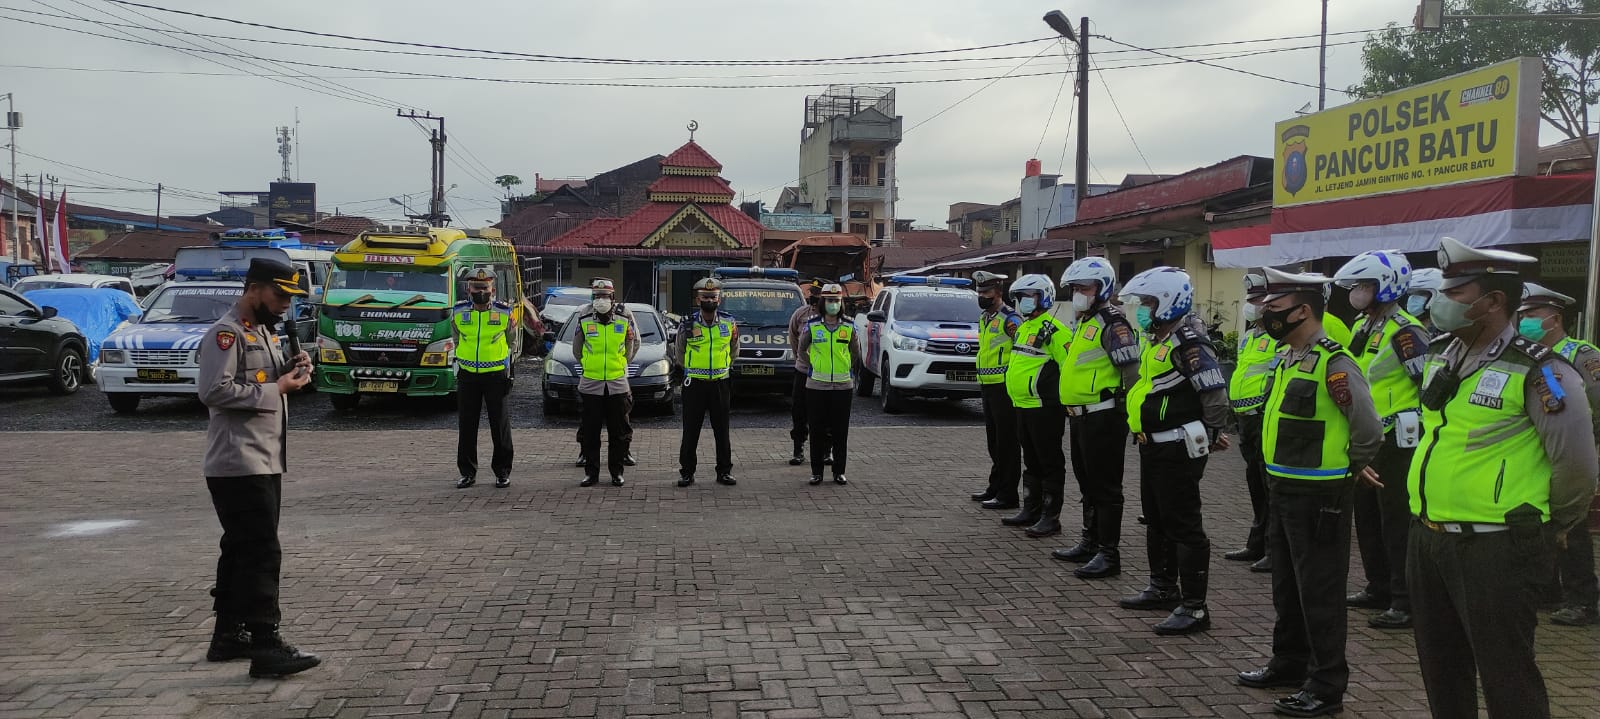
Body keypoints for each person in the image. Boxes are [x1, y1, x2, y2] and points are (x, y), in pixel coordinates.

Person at [1405, 236, 1597, 719]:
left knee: (1506, 675)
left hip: (1495, 546)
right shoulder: (1442, 353)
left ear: (1493, 302)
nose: (1440, 302)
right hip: (1428, 538)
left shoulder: (1543, 370)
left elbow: (1576, 466)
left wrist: (1553, 528)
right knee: (1441, 670)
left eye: (1456, 293)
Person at [1235, 267, 1383, 718]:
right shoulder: (1288, 357)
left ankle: (1325, 685)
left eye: (1274, 310)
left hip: (1320, 495)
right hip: (1283, 488)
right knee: (1287, 586)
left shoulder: (1334, 363)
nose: (1265, 317)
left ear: (1302, 311)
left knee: (1319, 592)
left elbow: (1368, 430)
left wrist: (1349, 469)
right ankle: (1289, 662)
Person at [197, 257, 320, 678]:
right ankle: (267, 644)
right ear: (254, 290)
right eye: (280, 295)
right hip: (238, 462)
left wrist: (289, 373)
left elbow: (260, 379)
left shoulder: (261, 332)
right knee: (262, 552)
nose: (286, 304)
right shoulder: (226, 335)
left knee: (239, 550)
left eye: (291, 297)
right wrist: (277, 388)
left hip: (263, 458)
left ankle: (228, 635)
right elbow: (214, 391)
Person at [1117, 266, 1231, 635]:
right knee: (1157, 519)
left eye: (1148, 302)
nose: (1142, 309)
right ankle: (1163, 587)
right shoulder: (1160, 338)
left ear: (1168, 302)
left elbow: (1213, 395)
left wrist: (1212, 433)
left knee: (1184, 526)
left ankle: (1195, 607)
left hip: (1178, 447)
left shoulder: (1189, 343)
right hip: (1152, 446)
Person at [1334, 251, 1432, 631]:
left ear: (1385, 287)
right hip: (1367, 434)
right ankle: (1377, 586)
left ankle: (1404, 600)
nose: (1357, 293)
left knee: (1395, 519)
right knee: (1367, 515)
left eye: (1364, 286)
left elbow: (1426, 383)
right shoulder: (1365, 324)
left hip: (1397, 437)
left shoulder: (1406, 332)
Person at [1051, 258, 1140, 579]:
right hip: (1080, 418)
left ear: (1101, 288)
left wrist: (1133, 415)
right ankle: (1090, 542)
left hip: (1104, 417)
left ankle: (1109, 553)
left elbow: (1131, 372)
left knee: (1106, 488)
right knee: (1088, 484)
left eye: (1083, 288)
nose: (1077, 294)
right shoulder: (1086, 321)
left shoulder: (1113, 323)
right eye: (1074, 289)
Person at [1518, 282, 1600, 627]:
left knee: (1574, 527)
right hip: (1539, 451)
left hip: (1574, 448)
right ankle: (1548, 590)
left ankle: (1582, 599)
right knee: (1543, 520)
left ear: (1554, 318)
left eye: (1532, 316)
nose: (1524, 323)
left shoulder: (1579, 353)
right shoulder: (1525, 354)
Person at [1000, 274, 1071, 538]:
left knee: (1049, 461)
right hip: (1022, 405)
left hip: (1045, 408)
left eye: (1028, 297)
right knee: (1030, 460)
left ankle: (1050, 518)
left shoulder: (1055, 330)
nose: (1022, 302)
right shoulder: (1024, 327)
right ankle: (1031, 509)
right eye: (1019, 298)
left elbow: (1068, 368)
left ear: (1043, 298)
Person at [1224, 273, 1276, 574]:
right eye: (1250, 300)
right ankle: (1256, 542)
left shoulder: (1277, 338)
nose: (1251, 306)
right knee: (1255, 484)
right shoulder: (1251, 336)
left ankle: (1271, 548)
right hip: (1246, 420)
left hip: (1263, 417)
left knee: (1269, 486)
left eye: (1257, 300)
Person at [451, 267, 515, 490]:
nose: (480, 291)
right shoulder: (458, 312)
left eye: (484, 288)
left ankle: (502, 472)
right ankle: (467, 472)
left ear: (492, 289)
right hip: (468, 376)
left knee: (500, 425)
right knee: (467, 426)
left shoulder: (504, 312)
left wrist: (509, 369)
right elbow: (457, 339)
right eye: (476, 287)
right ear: (468, 289)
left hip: (496, 375)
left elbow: (512, 343)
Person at [573, 278, 639, 487]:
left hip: (617, 383)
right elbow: (577, 349)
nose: (601, 300)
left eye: (605, 296)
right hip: (591, 383)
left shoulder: (624, 316)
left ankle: (616, 472)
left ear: (612, 297)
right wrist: (587, 363)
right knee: (591, 433)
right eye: (597, 296)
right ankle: (591, 473)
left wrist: (622, 362)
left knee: (618, 433)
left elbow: (633, 343)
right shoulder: (583, 317)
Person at [674, 277, 738, 488]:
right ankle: (687, 472)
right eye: (705, 296)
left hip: (720, 383)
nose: (709, 299)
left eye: (713, 296)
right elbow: (679, 352)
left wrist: (723, 366)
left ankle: (724, 472)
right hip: (695, 384)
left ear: (719, 299)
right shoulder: (688, 323)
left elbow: (734, 349)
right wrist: (692, 369)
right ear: (698, 299)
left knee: (722, 431)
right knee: (691, 430)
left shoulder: (729, 322)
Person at [795, 283, 860, 485]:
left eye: (837, 301)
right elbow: (801, 349)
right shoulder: (813, 326)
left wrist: (846, 368)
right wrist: (812, 366)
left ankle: (839, 471)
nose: (833, 304)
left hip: (842, 386)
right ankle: (817, 472)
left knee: (841, 431)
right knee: (817, 430)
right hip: (816, 386)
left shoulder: (849, 326)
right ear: (823, 302)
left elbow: (855, 352)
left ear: (841, 303)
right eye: (830, 300)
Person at [969, 270, 1023, 510]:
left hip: (1004, 387)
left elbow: (1022, 351)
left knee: (1007, 443)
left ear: (998, 293)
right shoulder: (985, 317)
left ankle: (1008, 493)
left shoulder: (1010, 319)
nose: (982, 296)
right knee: (994, 442)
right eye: (979, 291)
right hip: (988, 386)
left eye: (986, 292)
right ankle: (996, 485)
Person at [787, 280, 823, 465]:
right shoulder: (800, 314)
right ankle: (798, 448)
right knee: (799, 411)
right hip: (803, 371)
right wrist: (801, 359)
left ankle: (826, 450)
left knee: (825, 413)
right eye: (813, 293)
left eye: (818, 294)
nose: (814, 298)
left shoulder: (833, 318)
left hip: (825, 373)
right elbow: (794, 337)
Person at [1406, 267, 1444, 336]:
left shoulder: (1446, 331)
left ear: (1438, 294)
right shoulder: (1407, 329)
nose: (1412, 298)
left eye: (1421, 293)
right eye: (1411, 294)